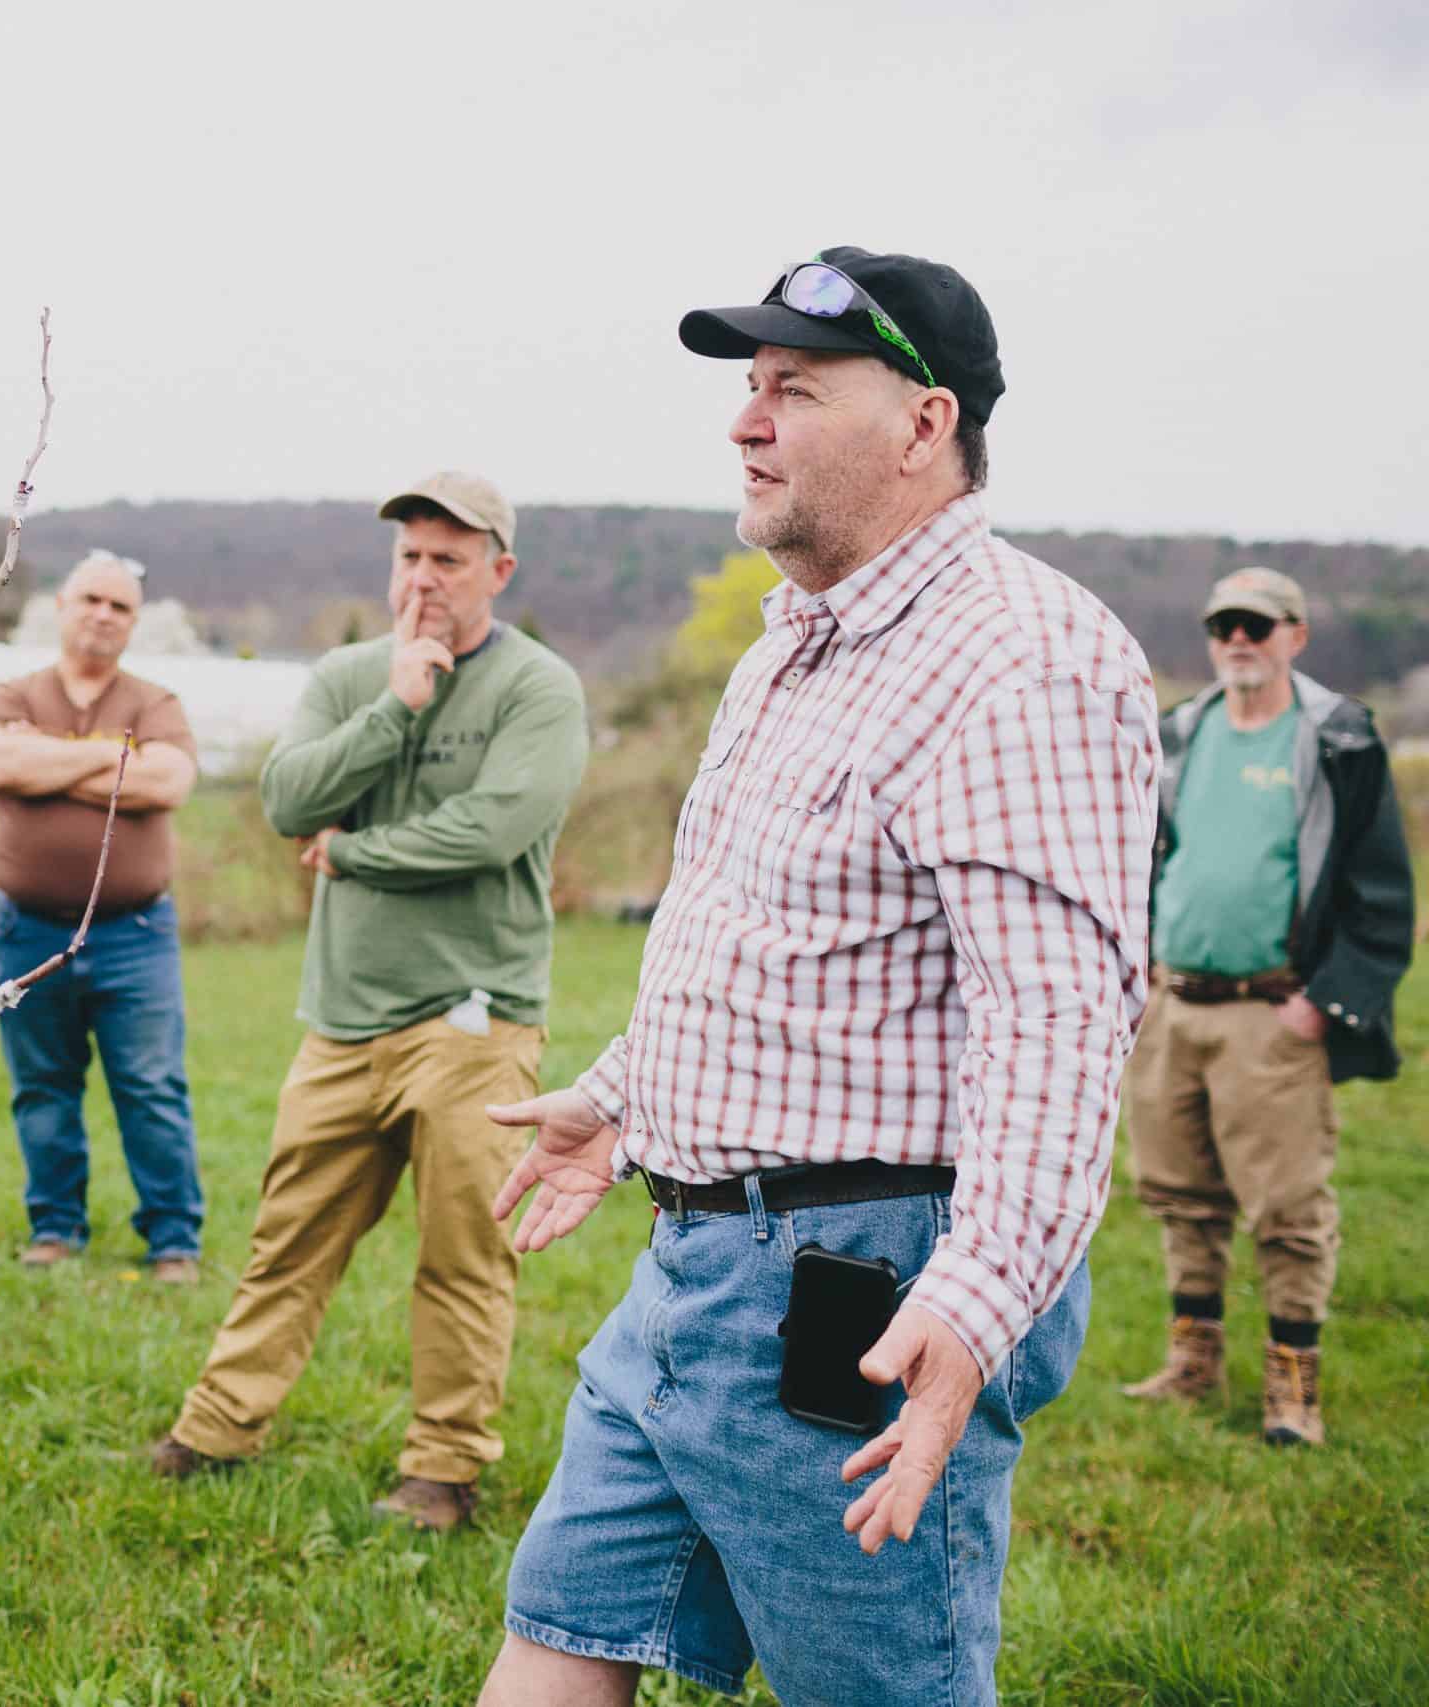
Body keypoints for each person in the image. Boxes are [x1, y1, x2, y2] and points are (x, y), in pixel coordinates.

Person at [477, 249, 1160, 1707]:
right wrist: (623, 1097)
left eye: (794, 387)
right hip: (693, 1271)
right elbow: (772, 946)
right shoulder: (795, 644)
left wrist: (973, 1311)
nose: (746, 420)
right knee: (562, 1624)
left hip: (859, 1298)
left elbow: (1058, 1025)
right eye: (748, 387)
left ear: (924, 424)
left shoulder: (1019, 658)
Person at [148, 471, 589, 1533]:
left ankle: (442, 1471)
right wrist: (397, 702)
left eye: (448, 557)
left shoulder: (539, 689)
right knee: (286, 1240)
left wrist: (353, 854)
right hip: (343, 1021)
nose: (424, 576)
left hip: (474, 1021)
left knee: (460, 1257)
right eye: (408, 557)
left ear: (499, 569)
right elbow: (287, 799)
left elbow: (491, 829)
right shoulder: (350, 677)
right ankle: (216, 1429)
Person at [1119, 567, 1412, 1447]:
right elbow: (1146, 862)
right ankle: (1193, 1360)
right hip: (1174, 1007)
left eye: (1256, 622)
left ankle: (1294, 1386)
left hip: (1273, 1015)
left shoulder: (1338, 742)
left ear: (1296, 634)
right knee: (1180, 1197)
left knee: (1287, 1209)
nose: (1238, 639)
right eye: (1222, 625)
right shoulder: (1180, 733)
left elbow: (1382, 894)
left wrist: (1322, 1007)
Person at [0, 549, 205, 1280]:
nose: (104, 614)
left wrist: (53, 763)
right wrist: (111, 760)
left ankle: (173, 1239)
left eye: (120, 606)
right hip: (27, 929)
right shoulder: (12, 692)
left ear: (134, 622)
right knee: (42, 1085)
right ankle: (56, 1226)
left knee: (152, 1086)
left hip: (134, 931)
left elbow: (168, 780)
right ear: (62, 605)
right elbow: (0, 764)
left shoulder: (156, 701)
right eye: (92, 600)